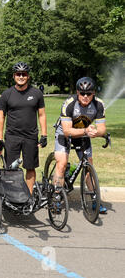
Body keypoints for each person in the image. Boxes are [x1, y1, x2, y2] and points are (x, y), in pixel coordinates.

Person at [52, 77, 107, 213]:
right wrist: (86, 131)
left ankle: (94, 199)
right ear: (77, 92)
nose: (85, 96)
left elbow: (102, 129)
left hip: (83, 134)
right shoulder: (69, 104)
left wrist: (96, 132)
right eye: (82, 93)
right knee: (62, 163)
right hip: (65, 134)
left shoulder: (99, 104)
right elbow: (66, 130)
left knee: (88, 165)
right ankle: (56, 198)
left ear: (94, 93)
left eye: (89, 93)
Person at [0, 61, 47, 195]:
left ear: (28, 76)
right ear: (14, 76)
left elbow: (41, 115)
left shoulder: (36, 93)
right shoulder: (6, 94)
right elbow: (1, 117)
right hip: (12, 136)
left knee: (30, 168)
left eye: (23, 74)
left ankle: (29, 197)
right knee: (11, 169)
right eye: (18, 74)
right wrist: (0, 138)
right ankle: (12, 196)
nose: (21, 77)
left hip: (30, 136)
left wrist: (44, 135)